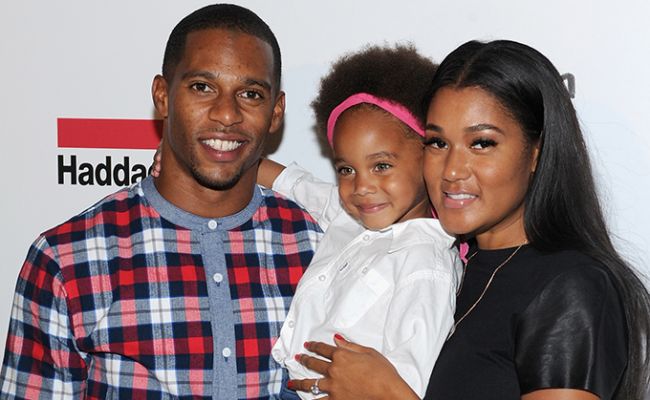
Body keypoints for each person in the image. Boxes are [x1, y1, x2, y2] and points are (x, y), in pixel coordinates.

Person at [287, 40, 650, 400]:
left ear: (536, 152)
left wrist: (388, 394)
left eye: (481, 143)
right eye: (437, 143)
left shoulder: (570, 286)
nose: (452, 170)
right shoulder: (447, 261)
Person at [0, 4, 321, 399]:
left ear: (275, 112)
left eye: (251, 94)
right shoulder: (67, 259)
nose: (226, 114)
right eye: (202, 87)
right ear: (163, 96)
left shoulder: (316, 248)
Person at [259, 45, 460, 399]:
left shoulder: (426, 265)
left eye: (381, 166)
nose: (362, 186)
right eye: (346, 169)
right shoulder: (348, 213)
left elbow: (407, 385)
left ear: (429, 157)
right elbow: (290, 182)